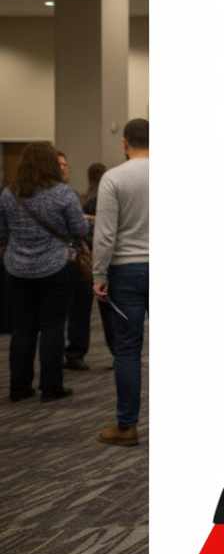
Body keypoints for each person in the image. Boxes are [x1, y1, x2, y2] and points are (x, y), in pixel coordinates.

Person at [0, 142, 89, 402]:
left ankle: (19, 386)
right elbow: (79, 228)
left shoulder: (8, 194)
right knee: (52, 327)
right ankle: (51, 387)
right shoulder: (63, 193)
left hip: (17, 267)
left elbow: (2, 233)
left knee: (23, 328)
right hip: (57, 266)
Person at [93, 121, 150, 446]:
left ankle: (126, 427)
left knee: (128, 351)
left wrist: (99, 275)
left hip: (125, 271)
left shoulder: (113, 177)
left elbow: (105, 234)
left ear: (125, 142)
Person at [64, 156, 103, 371]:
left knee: (79, 309)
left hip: (78, 260)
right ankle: (71, 353)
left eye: (65, 165)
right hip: (70, 257)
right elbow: (80, 227)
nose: (64, 169)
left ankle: (75, 353)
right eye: (59, 165)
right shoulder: (71, 195)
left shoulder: (77, 195)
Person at [79, 163, 116, 364]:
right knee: (108, 308)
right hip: (99, 255)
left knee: (82, 310)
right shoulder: (102, 196)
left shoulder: (84, 197)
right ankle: (117, 351)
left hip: (85, 256)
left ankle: (77, 352)